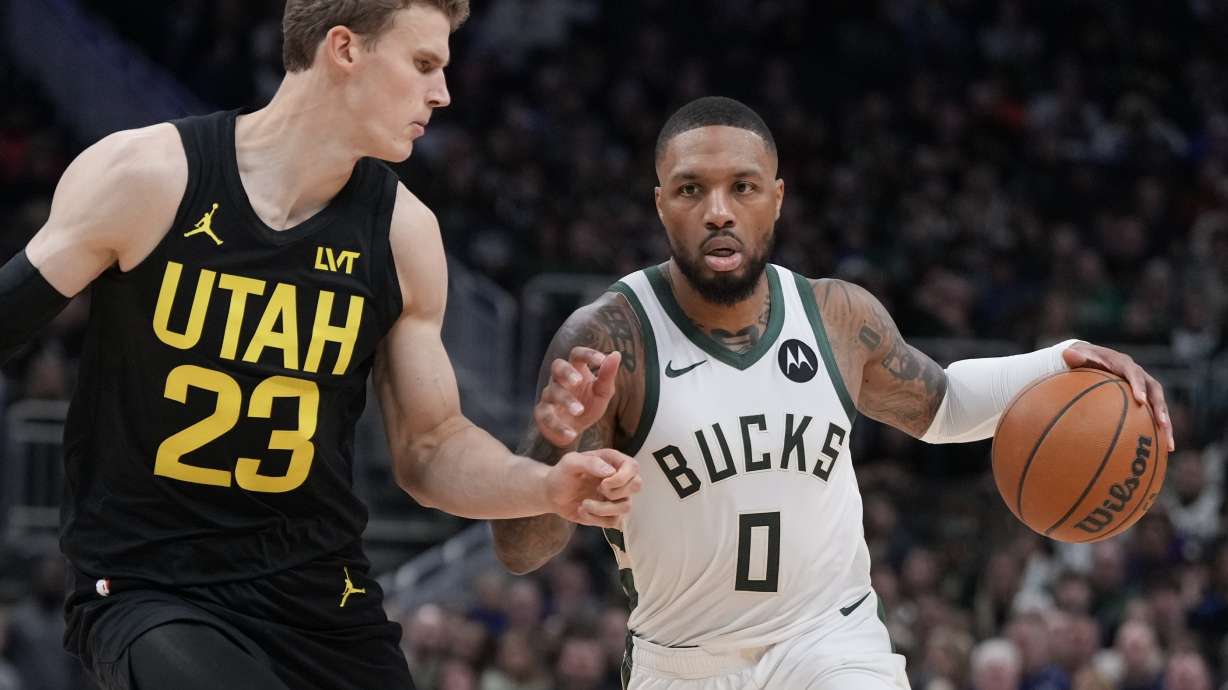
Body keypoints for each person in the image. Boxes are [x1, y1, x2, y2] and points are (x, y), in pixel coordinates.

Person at [0, 2, 640, 689]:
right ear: (344, 49)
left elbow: (430, 448)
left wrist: (545, 484)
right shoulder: (150, 176)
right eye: (424, 63)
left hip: (319, 598)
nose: (443, 93)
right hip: (154, 588)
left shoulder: (402, 233)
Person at [491, 97, 1174, 689]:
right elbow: (520, 551)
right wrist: (552, 446)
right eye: (692, 189)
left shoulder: (839, 318)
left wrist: (1057, 362)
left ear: (778, 198)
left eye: (744, 187)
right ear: (661, 202)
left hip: (828, 640)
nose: (719, 211)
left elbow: (942, 407)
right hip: (680, 661)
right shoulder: (608, 338)